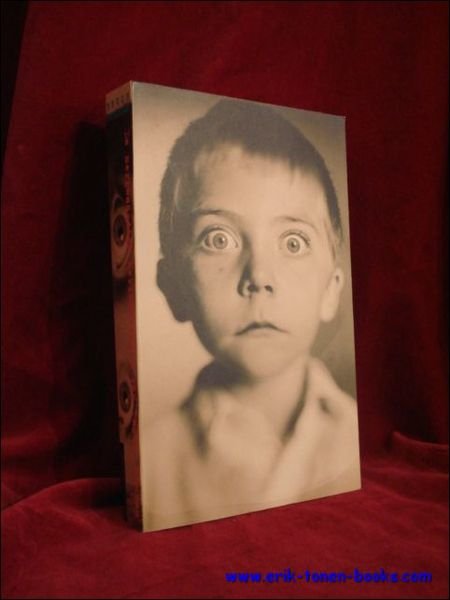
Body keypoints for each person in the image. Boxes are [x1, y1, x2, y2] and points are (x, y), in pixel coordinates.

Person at [144, 99, 360, 531]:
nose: (259, 276)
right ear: (174, 288)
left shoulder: (354, 435)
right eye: (218, 239)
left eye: (294, 242)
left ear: (331, 290)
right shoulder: (151, 464)